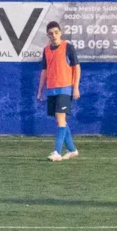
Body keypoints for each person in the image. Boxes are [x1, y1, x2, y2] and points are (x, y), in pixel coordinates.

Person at [36, 21, 81, 161]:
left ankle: (57, 152)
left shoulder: (68, 47)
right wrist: (40, 90)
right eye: (50, 33)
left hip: (65, 87)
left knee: (61, 119)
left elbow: (77, 67)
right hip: (51, 89)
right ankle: (72, 149)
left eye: (56, 32)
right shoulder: (46, 50)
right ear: (47, 35)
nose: (53, 35)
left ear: (60, 33)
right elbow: (44, 71)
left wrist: (76, 87)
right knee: (60, 120)